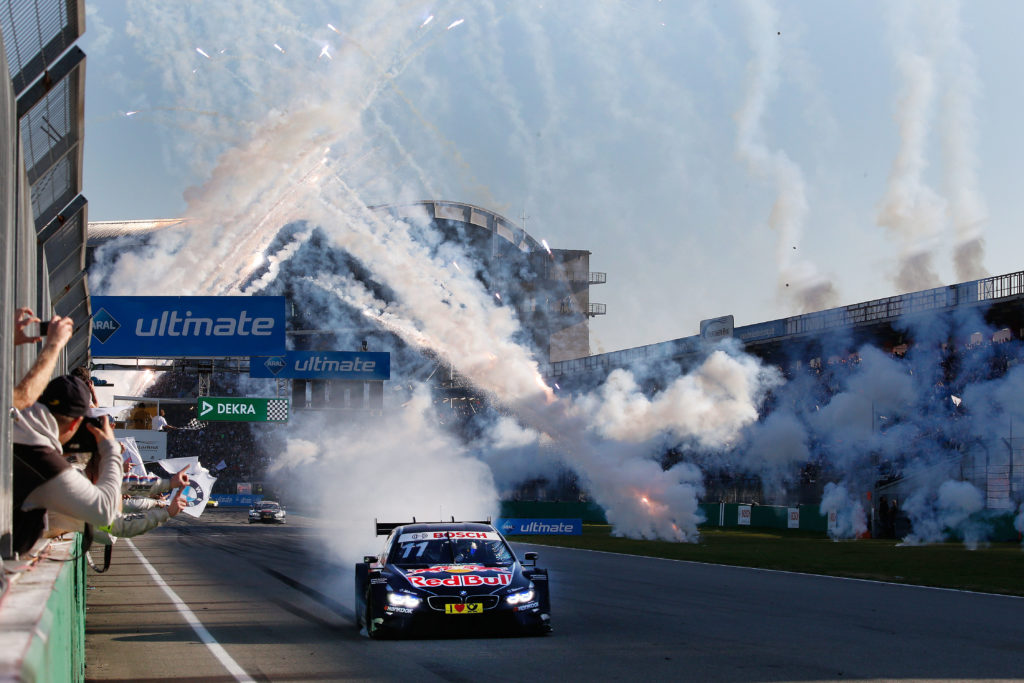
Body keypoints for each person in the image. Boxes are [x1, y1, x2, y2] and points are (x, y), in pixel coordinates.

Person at [11, 374, 123, 555]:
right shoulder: (44, 463)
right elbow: (105, 515)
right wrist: (110, 450)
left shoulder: (13, 426)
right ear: (75, 424)